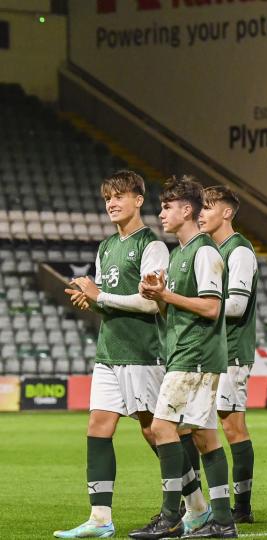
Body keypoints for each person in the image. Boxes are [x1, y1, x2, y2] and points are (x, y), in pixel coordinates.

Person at [55, 171, 173, 539]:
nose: (112, 202)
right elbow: (107, 299)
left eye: (120, 195)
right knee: (98, 428)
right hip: (109, 352)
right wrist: (90, 301)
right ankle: (101, 518)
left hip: (143, 353)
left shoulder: (152, 246)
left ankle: (193, 501)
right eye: (108, 197)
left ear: (139, 200)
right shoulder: (105, 247)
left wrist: (100, 297)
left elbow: (152, 304)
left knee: (155, 431)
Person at [133, 176, 236, 539]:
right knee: (206, 438)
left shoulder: (204, 252)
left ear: (187, 209)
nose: (160, 213)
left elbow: (211, 308)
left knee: (162, 428)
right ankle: (222, 521)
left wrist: (168, 297)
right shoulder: (178, 254)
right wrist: (159, 296)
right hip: (186, 352)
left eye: (167, 205)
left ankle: (170, 516)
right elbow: (173, 313)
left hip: (195, 356)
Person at [198, 186, 259, 523]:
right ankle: (207, 502)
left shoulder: (239, 252)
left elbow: (236, 306)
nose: (201, 213)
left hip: (231, 351)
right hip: (209, 350)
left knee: (232, 427)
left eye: (208, 207)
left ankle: (243, 506)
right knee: (199, 425)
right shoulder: (210, 250)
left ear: (227, 212)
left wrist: (193, 306)